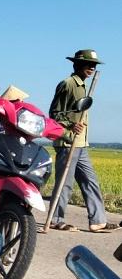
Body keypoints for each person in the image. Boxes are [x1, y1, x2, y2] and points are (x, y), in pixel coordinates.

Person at [48, 49, 118, 232]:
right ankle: (55, 219)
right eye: (89, 64)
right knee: (65, 183)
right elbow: (54, 114)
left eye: (94, 65)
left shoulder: (83, 86)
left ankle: (98, 221)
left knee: (90, 181)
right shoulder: (68, 84)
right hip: (68, 142)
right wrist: (70, 125)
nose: (92, 68)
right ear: (78, 65)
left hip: (81, 143)